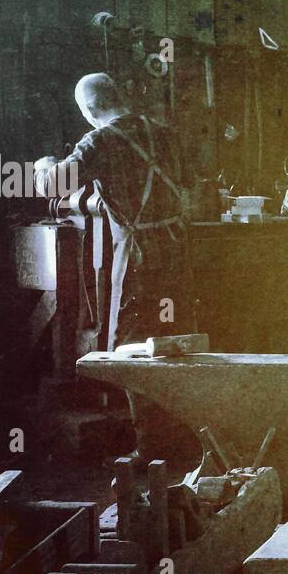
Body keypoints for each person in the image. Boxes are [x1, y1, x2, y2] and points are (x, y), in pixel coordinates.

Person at [47, 74, 196, 467]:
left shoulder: (100, 140)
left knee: (134, 344)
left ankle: (152, 448)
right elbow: (190, 184)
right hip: (177, 249)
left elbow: (55, 186)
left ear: (90, 109)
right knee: (176, 339)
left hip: (141, 256)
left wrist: (45, 167)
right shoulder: (165, 133)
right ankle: (185, 437)